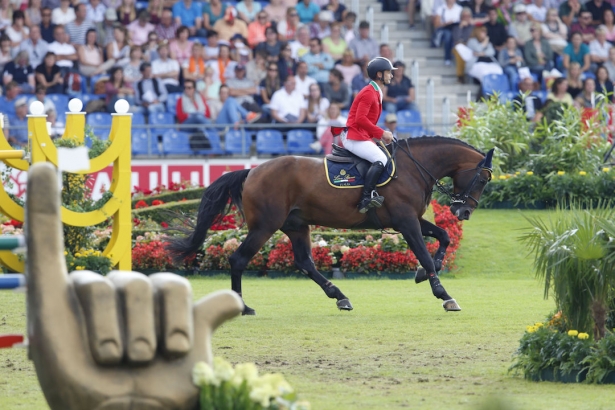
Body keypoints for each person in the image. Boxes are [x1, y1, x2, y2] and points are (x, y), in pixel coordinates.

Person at [341, 57, 395, 213]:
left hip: (361, 135)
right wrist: (381, 133)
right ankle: (365, 198)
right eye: (388, 72)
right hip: (353, 136)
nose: (391, 75)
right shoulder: (369, 93)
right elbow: (360, 119)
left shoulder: (376, 92)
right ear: (379, 74)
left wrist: (380, 133)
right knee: (381, 159)